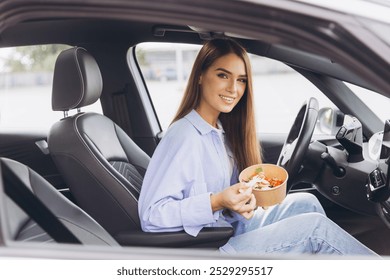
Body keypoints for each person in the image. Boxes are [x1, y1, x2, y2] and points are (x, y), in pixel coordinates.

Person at [138, 38, 378, 256]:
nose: (234, 89)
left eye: (241, 80)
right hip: (209, 249)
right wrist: (217, 201)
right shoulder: (183, 136)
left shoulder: (218, 130)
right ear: (200, 76)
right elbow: (151, 216)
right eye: (223, 75)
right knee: (315, 230)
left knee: (307, 203)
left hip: (227, 227)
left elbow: (222, 196)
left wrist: (242, 199)